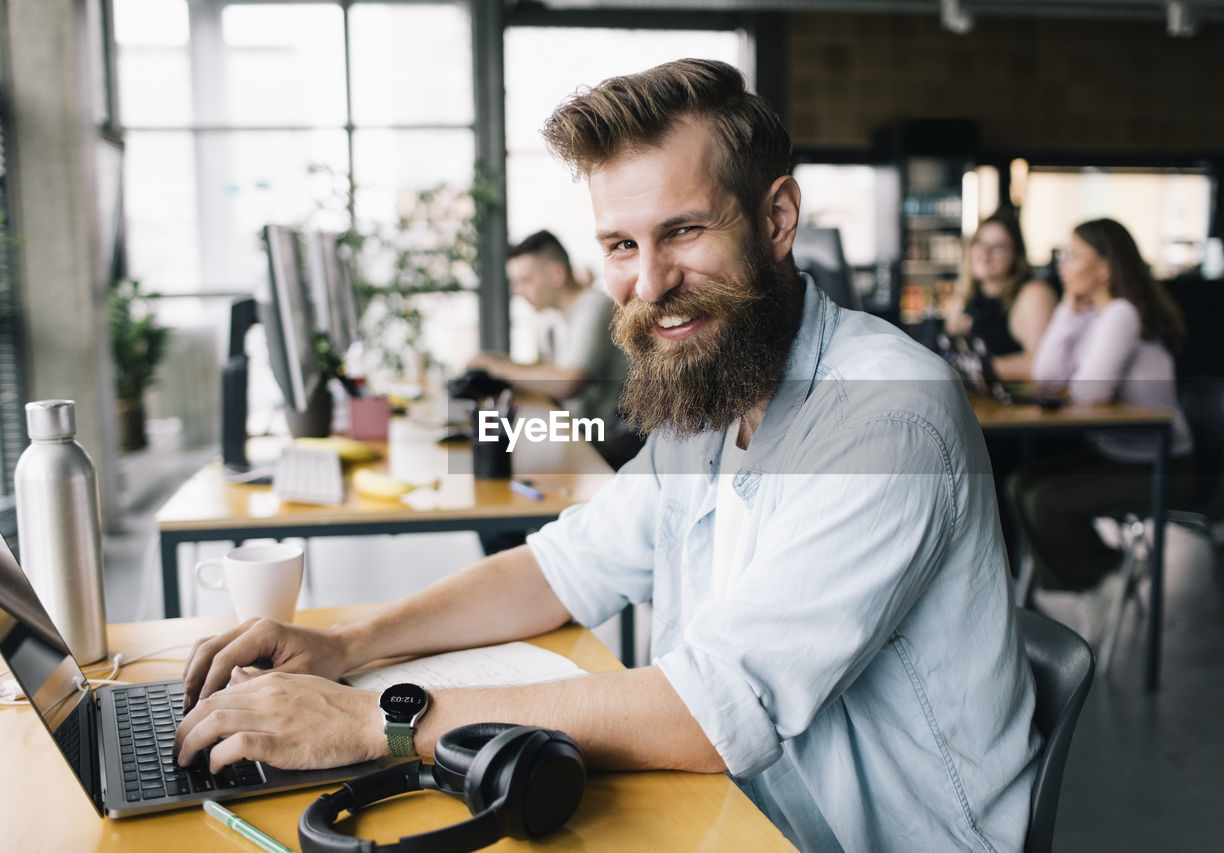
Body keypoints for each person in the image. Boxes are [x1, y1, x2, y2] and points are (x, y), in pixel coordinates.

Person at [176, 59, 1039, 852]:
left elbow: (706, 714)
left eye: (685, 231)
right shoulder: (716, 382)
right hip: (742, 811)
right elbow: (561, 567)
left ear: (777, 218)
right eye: (622, 246)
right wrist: (347, 641)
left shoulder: (887, 414)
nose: (650, 282)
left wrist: (377, 721)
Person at [1008, 218, 1196, 599]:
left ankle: (1099, 577)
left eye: (1073, 256)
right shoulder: (1096, 315)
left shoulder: (1121, 313)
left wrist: (1075, 376)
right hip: (1121, 455)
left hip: (1165, 467)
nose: (1062, 265)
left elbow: (1090, 393)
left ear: (1105, 268)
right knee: (1017, 485)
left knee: (1044, 501)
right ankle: (1099, 576)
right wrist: (1067, 309)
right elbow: (1046, 377)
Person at [469, 230, 629, 435]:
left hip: (608, 445)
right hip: (581, 436)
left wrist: (496, 368)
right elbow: (553, 368)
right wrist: (502, 362)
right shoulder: (557, 316)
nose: (516, 291)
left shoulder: (594, 307)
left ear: (556, 274)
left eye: (524, 280)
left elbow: (568, 383)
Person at [945, 207, 1056, 381]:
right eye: (979, 243)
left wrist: (975, 367)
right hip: (979, 402)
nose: (985, 254)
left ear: (1016, 255)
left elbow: (1042, 366)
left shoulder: (1033, 293)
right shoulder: (965, 296)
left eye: (999, 247)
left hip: (1018, 405)